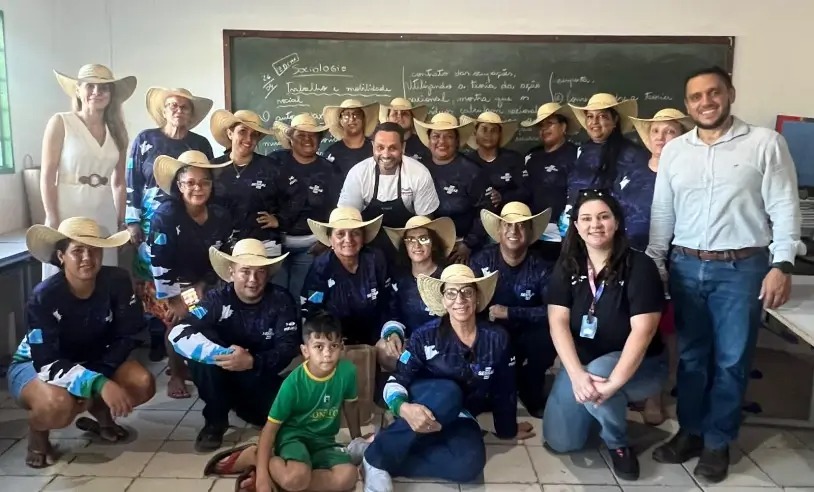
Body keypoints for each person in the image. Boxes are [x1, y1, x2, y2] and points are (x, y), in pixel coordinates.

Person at [647, 66, 804, 483]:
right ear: (687, 105)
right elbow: (663, 212)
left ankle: (718, 441)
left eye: (713, 93)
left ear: (730, 94)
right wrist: (657, 262)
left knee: (732, 360)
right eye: (696, 97)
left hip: (743, 268)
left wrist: (782, 264)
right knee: (694, 358)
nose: (705, 102)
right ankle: (691, 431)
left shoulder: (765, 144)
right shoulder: (677, 151)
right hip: (684, 266)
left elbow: (785, 208)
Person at [356, 265, 535, 491]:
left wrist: (507, 429)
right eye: (451, 292)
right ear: (443, 299)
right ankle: (376, 459)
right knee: (449, 393)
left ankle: (380, 450)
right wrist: (403, 409)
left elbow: (505, 389)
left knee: (469, 466)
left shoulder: (497, 338)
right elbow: (396, 380)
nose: (459, 299)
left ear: (477, 297)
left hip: (462, 414)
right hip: (427, 402)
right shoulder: (423, 336)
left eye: (466, 292)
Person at [8, 217, 155, 468]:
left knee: (143, 383)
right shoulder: (43, 297)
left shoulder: (117, 280)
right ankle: (38, 432)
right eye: (77, 250)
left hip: (94, 358)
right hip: (36, 365)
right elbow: (46, 361)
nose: (87, 257)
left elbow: (130, 333)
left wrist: (101, 376)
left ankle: (101, 415)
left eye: (94, 250)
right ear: (61, 256)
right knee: (59, 405)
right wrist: (98, 382)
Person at [543, 190, 666, 481]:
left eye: (603, 217)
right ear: (575, 226)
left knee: (600, 375)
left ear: (617, 221)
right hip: (583, 367)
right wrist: (575, 374)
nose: (594, 225)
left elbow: (643, 331)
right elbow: (557, 322)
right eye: (585, 219)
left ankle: (618, 443)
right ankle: (599, 405)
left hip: (641, 367)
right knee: (561, 441)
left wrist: (614, 384)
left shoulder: (640, 266)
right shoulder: (567, 264)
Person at [168, 239, 300, 451]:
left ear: (267, 274)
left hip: (258, 373)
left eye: (260, 272)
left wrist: (251, 361)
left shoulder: (281, 299)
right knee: (200, 348)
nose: (252, 279)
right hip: (220, 369)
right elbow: (180, 331)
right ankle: (215, 421)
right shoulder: (215, 299)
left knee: (282, 415)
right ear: (231, 272)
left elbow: (288, 347)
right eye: (245, 271)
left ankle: (237, 403)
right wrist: (223, 355)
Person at [206, 313, 362, 492]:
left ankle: (285, 482)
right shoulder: (293, 383)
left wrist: (357, 438)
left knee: (348, 477)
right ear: (305, 351)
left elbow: (351, 404)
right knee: (296, 478)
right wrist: (262, 480)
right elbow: (269, 430)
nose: (327, 354)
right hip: (293, 437)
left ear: (341, 347)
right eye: (319, 346)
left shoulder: (347, 372)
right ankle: (258, 457)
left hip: (323, 440)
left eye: (333, 346)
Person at [125, 87, 214, 361]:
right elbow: (132, 181)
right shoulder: (145, 139)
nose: (178, 110)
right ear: (164, 110)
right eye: (173, 105)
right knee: (152, 279)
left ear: (191, 114)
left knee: (185, 276)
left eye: (184, 107)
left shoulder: (200, 144)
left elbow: (208, 184)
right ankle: (157, 335)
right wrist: (132, 221)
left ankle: (185, 327)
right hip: (151, 223)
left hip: (189, 222)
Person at [148, 150, 233, 399]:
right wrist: (176, 298)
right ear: (179, 184)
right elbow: (159, 262)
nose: (198, 188)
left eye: (204, 182)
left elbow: (225, 253)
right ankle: (176, 372)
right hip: (173, 283)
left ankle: (209, 367)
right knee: (178, 319)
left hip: (208, 278)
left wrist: (204, 284)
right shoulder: (165, 216)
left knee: (218, 316)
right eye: (190, 182)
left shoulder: (221, 215)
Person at [627, 108, 693, 424]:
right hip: (629, 263)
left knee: (663, 331)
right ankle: (634, 389)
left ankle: (656, 395)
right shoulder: (633, 171)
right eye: (656, 131)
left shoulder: (688, 175)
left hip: (670, 265)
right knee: (632, 327)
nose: (661, 138)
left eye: (670, 132)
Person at [41, 64, 136, 280]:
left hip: (103, 212)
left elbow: (119, 182)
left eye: (104, 88)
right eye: (90, 86)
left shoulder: (118, 131)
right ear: (78, 90)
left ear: (111, 94)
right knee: (66, 272)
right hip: (68, 207)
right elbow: (47, 176)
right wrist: (52, 215)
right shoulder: (61, 122)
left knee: (101, 272)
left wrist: (120, 222)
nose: (96, 92)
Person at [471, 202, 554, 418]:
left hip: (528, 331)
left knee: (547, 337)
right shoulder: (481, 260)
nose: (513, 231)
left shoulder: (542, 266)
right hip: (490, 331)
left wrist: (511, 312)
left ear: (529, 232)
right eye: (508, 225)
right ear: (499, 230)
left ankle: (531, 388)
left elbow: (552, 310)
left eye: (521, 226)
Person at [337, 122, 440, 260]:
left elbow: (424, 223)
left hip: (406, 246)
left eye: (392, 148)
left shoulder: (419, 173)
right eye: (380, 147)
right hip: (366, 247)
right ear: (373, 146)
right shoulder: (358, 173)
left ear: (402, 148)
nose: (385, 154)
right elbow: (346, 220)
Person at [270, 114, 342, 302]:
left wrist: (326, 240)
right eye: (301, 135)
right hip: (275, 243)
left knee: (300, 296)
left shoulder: (330, 170)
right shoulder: (274, 162)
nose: (308, 140)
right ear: (290, 139)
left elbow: (337, 210)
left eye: (313, 135)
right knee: (276, 296)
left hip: (310, 246)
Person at [301, 207, 395, 346]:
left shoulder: (376, 260)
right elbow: (313, 309)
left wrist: (390, 331)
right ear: (330, 239)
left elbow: (389, 300)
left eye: (355, 233)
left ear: (363, 238)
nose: (348, 239)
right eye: (340, 234)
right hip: (334, 340)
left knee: (393, 355)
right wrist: (332, 339)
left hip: (376, 334)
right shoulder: (321, 267)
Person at [559, 93, 647, 237]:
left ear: (615, 120)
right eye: (590, 116)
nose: (594, 122)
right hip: (575, 232)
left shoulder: (632, 154)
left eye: (602, 116)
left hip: (606, 234)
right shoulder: (581, 150)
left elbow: (633, 204)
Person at [377, 215, 456, 371]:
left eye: (423, 239)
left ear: (433, 244)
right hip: (411, 345)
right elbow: (393, 314)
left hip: (444, 346)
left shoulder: (448, 277)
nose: (417, 245)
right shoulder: (399, 278)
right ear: (405, 246)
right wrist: (393, 334)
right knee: (382, 349)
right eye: (410, 240)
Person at [415, 113, 493, 263]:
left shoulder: (472, 172)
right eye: (436, 136)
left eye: (449, 136)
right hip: (423, 248)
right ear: (429, 140)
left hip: (461, 250)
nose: (441, 141)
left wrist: (468, 244)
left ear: (457, 141)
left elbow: (486, 212)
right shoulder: (417, 167)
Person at [209, 109, 282, 257]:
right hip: (222, 245)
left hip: (264, 244)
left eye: (254, 134)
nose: (248, 139)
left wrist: (280, 219)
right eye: (242, 131)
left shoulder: (271, 167)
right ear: (230, 133)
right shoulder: (212, 168)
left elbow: (292, 196)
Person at [521, 102, 581, 222]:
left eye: (549, 124)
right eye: (541, 125)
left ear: (563, 127)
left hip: (562, 229)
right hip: (531, 227)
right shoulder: (531, 156)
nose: (544, 129)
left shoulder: (576, 155)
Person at [461, 111, 528, 210]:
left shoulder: (513, 159)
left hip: (509, 218)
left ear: (500, 134)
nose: (489, 134)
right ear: (475, 133)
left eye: (494, 130)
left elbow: (526, 191)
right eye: (484, 129)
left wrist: (503, 197)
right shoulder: (466, 162)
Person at [322, 99, 379, 177]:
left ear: (363, 119)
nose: (352, 119)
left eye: (357, 114)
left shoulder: (376, 149)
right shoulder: (331, 153)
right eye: (346, 115)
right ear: (340, 121)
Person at [379, 97, 429, 162]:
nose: (399, 116)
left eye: (404, 113)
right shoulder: (379, 144)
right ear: (388, 119)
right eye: (395, 113)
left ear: (412, 119)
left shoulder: (423, 145)